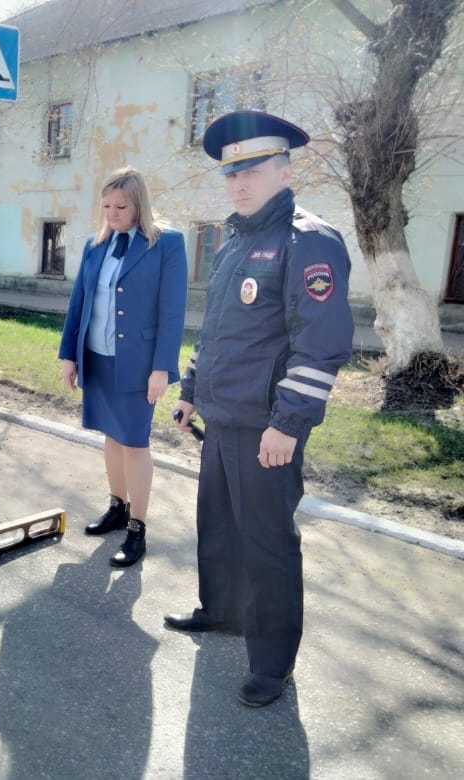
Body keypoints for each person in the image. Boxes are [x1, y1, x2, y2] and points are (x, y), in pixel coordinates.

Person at [167, 110, 355, 707]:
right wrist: (191, 390)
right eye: (231, 174)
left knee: (267, 541)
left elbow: (320, 346)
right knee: (219, 528)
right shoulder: (235, 242)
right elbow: (215, 333)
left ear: (284, 169)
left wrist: (287, 425)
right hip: (222, 420)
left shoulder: (310, 241)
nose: (240, 183)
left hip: (267, 430)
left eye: (253, 170)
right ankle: (222, 611)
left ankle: (273, 662)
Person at [59, 167, 188, 567]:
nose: (112, 213)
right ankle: (117, 507)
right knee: (111, 438)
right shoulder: (95, 246)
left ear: (139, 205)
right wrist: (68, 355)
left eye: (121, 206)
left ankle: (137, 528)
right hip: (97, 357)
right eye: (106, 206)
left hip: (138, 364)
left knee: (134, 442)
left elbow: (172, 311)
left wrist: (162, 367)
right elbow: (79, 302)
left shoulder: (166, 244)